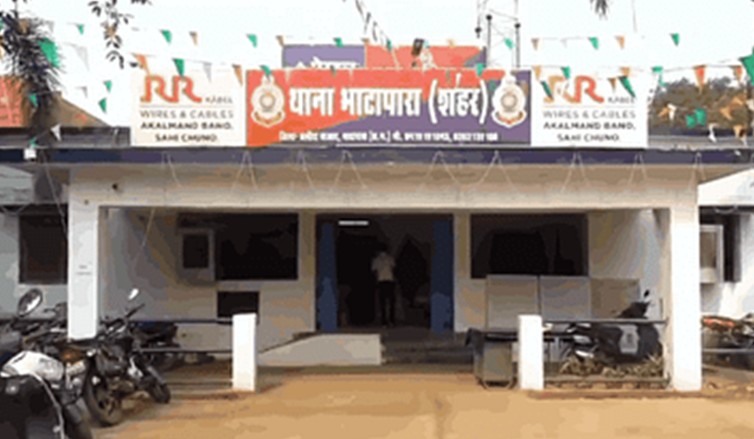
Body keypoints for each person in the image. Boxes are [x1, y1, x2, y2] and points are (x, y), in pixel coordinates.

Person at [372, 244, 396, 327]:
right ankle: (392, 321)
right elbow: (393, 269)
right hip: (390, 280)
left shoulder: (376, 260)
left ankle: (384, 322)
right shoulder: (390, 258)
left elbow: (375, 271)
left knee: (382, 302)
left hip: (381, 281)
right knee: (391, 302)